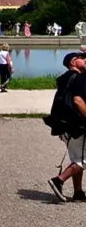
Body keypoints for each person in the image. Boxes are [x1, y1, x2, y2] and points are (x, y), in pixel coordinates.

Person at [46, 52, 86, 202]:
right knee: (84, 159)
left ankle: (78, 192)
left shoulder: (66, 78)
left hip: (66, 125)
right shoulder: (80, 78)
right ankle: (59, 180)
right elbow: (78, 101)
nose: (85, 60)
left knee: (77, 158)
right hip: (77, 125)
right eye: (83, 58)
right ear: (73, 62)